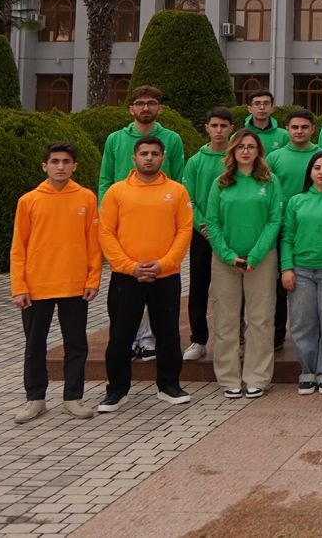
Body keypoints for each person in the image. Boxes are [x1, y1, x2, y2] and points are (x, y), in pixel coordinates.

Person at [96, 135, 193, 412]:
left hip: (166, 275)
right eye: (144, 153)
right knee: (121, 335)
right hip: (127, 276)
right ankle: (116, 390)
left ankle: (169, 385)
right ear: (134, 158)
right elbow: (106, 232)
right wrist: (130, 266)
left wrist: (166, 263)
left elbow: (184, 230)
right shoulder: (117, 192)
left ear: (163, 158)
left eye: (154, 153)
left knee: (168, 333)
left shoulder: (177, 191)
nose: (149, 158)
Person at [11, 142, 101, 423]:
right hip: (37, 287)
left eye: (66, 161)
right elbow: (18, 247)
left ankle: (73, 398)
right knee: (34, 345)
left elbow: (93, 244)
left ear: (75, 166)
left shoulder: (86, 198)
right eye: (55, 161)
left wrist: (93, 278)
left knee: (76, 344)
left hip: (75, 284)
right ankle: (35, 398)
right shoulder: (29, 200)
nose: (60, 166)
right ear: (44, 166)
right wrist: (19, 287)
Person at [98, 84, 186, 363]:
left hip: (160, 221)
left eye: (151, 103)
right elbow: (105, 178)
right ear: (131, 109)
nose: (145, 107)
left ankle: (150, 341)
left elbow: (180, 178)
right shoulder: (115, 139)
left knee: (161, 296)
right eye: (140, 103)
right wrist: (105, 215)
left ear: (159, 108)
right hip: (124, 222)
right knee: (127, 293)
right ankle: (132, 341)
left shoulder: (171, 139)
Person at [205, 130, 282, 400]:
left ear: (258, 151)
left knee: (260, 320)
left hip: (261, 259)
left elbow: (275, 220)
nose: (246, 151)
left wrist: (256, 254)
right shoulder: (221, 182)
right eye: (241, 147)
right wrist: (227, 254)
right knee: (225, 320)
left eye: (251, 147)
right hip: (226, 259)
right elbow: (211, 222)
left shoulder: (270, 181)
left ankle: (257, 377)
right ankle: (229, 377)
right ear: (233, 151)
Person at [281, 151, 322, 395]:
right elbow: (287, 236)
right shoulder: (296, 201)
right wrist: (286, 268)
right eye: (317, 167)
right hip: (300, 270)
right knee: (302, 323)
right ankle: (308, 370)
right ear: (310, 172)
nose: (321, 172)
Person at [179, 107, 232, 362]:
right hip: (202, 233)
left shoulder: (236, 159)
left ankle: (235, 337)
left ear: (231, 128)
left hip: (230, 232)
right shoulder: (195, 161)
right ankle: (198, 339)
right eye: (215, 126)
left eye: (224, 126)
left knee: (232, 288)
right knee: (199, 286)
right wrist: (204, 224)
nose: (219, 131)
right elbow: (187, 198)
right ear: (207, 128)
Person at [268, 107, 322, 352]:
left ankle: (320, 333)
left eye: (304, 127)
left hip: (315, 228)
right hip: (280, 228)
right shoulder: (275, 157)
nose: (299, 131)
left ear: (312, 129)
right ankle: (278, 335)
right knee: (280, 282)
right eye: (294, 127)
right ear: (287, 130)